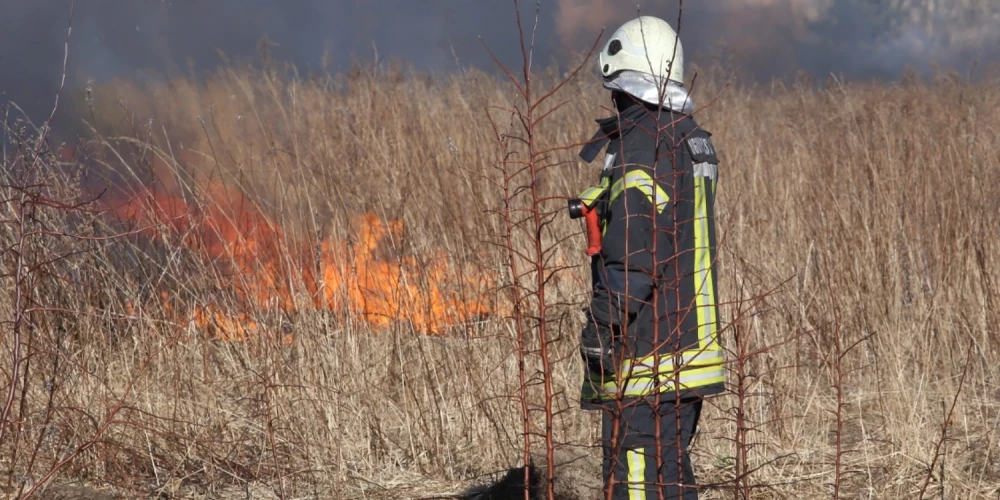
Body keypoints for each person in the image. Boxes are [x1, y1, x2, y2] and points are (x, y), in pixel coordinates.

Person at [574, 15, 726, 500]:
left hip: (649, 356)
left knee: (637, 486)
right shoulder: (687, 137)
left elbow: (637, 254)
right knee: (670, 479)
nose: (611, 99)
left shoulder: (644, 145)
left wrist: (602, 327)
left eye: (613, 89)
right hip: (686, 349)